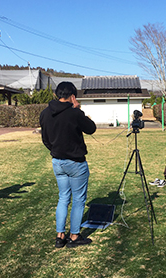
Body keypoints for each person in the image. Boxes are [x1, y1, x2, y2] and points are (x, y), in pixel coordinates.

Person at [39, 81, 96, 248]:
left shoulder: (45, 113)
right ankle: (74, 236)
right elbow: (91, 128)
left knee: (63, 198)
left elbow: (45, 140)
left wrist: (55, 150)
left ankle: (60, 235)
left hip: (57, 161)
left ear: (57, 95)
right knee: (78, 199)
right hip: (76, 162)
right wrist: (79, 110)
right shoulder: (74, 113)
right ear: (72, 97)